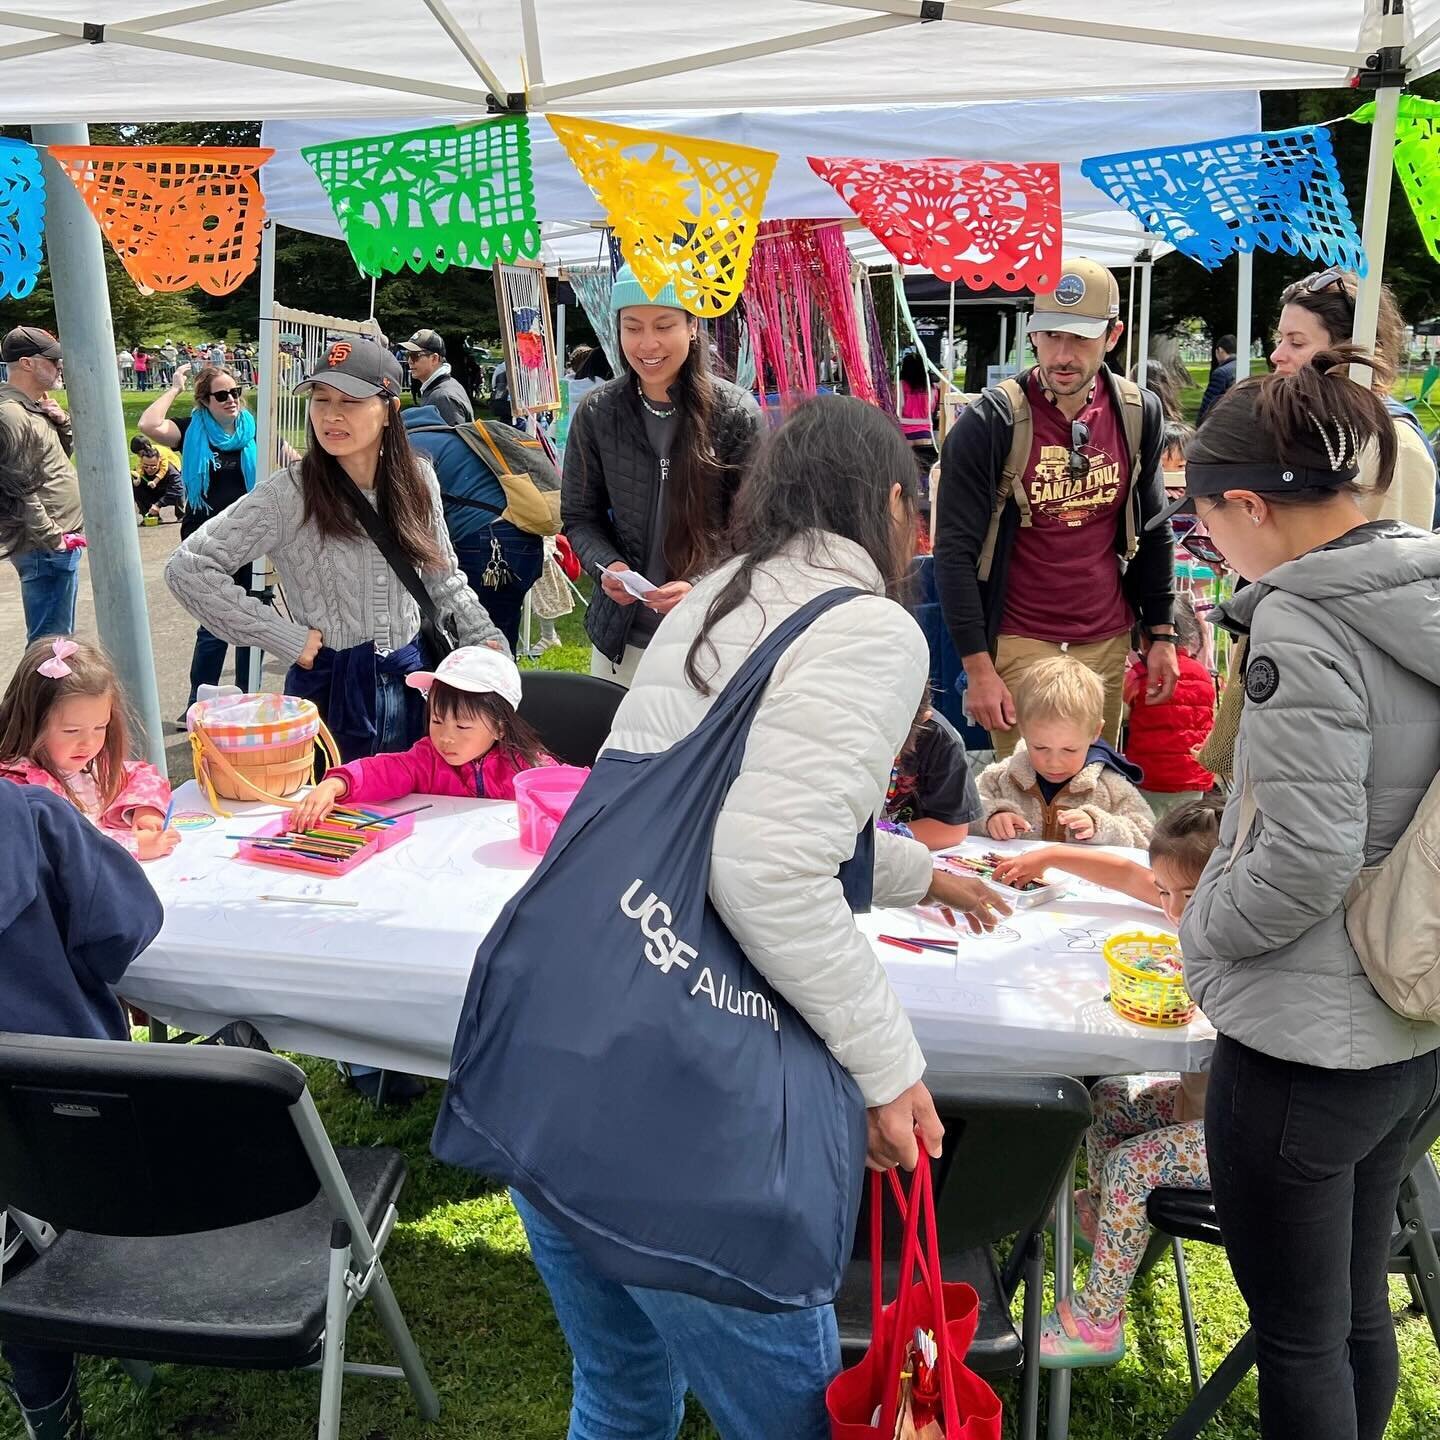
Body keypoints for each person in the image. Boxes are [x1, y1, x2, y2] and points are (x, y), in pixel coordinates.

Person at [512, 394, 1012, 1439]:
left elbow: (708, 812)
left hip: (560, 1066)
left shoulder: (715, 597)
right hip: (686, 1121)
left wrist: (922, 873)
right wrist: (888, 1070)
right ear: (889, 505)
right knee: (789, 1421)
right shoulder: (870, 627)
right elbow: (764, 869)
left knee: (622, 1396)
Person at [1153, 350, 1440, 1440]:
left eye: (1203, 520)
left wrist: (1205, 937)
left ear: (1245, 506)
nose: (1207, 545)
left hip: (1306, 1046)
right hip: (1407, 1021)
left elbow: (1307, 855)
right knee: (1353, 1310)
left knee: (1301, 1338)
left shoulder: (1308, 624)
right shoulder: (1418, 586)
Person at [166, 339, 505, 763]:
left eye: (351, 401)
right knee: (335, 818)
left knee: (417, 813)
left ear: (389, 410)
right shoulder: (289, 493)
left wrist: (484, 638)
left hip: (417, 684)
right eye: (321, 400)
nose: (331, 415)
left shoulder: (417, 478)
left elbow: (443, 578)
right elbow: (188, 567)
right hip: (332, 690)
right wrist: (282, 636)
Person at [993, 800, 1222, 1369]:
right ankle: (1102, 1216)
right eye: (1166, 894)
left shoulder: (1240, 937)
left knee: (1133, 1165)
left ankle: (1097, 1321)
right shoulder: (1191, 901)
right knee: (1112, 1098)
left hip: (1247, 1136)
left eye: (1185, 898)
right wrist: (1047, 854)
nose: (1171, 910)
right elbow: (1126, 874)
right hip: (1205, 1107)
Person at [933, 257, 1178, 761]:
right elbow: (953, 553)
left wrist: (1162, 633)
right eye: (1051, 336)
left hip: (1105, 640)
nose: (1063, 355)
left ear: (1113, 336)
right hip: (1018, 640)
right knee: (1023, 793)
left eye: (1081, 338)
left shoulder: (1137, 413)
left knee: (1092, 788)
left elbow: (1154, 530)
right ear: (1032, 333)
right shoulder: (990, 422)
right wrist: (978, 668)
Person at [0, 777, 164, 1440]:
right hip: (79, 1124)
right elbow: (125, 926)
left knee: (14, 1249)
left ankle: (51, 1412)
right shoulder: (32, 817)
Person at [562, 263, 763, 688]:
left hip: (711, 634)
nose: (647, 343)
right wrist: (606, 566)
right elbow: (580, 517)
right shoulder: (598, 413)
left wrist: (699, 585)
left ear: (692, 326)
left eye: (664, 325)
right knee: (617, 748)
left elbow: (756, 530)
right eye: (632, 327)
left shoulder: (736, 414)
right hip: (623, 636)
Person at [290, 648, 549, 830]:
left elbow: (573, 791)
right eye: (436, 720)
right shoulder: (426, 760)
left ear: (500, 728)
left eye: (462, 726)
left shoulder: (526, 768)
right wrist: (335, 784)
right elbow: (383, 770)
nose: (446, 737)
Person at [139, 361, 265, 711]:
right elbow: (148, 424)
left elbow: (293, 461)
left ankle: (247, 698)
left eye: (236, 392)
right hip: (207, 543)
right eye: (221, 395)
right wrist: (175, 387)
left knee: (251, 621)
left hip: (251, 541)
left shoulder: (256, 430)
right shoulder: (191, 429)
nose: (231, 400)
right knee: (215, 624)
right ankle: (199, 704)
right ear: (205, 401)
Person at [1270, 269, 1437, 530]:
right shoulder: (1305, 421)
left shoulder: (1393, 444)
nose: (1276, 355)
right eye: (1280, 339)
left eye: (1297, 343)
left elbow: (1396, 563)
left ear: (1352, 349)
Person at [0, 637, 179, 861]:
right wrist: (132, 847)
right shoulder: (17, 789)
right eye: (72, 731)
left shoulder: (89, 767)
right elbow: (58, 848)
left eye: (100, 727)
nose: (89, 742)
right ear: (31, 723)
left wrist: (145, 811)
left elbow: (141, 775)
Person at [401, 400, 544, 652]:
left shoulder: (412, 448)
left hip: (484, 546)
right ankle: (508, 683)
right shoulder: (460, 439)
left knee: (475, 636)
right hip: (525, 541)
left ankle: (481, 686)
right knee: (503, 629)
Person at [977, 654, 1154, 848]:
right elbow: (962, 809)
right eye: (1040, 747)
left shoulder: (1111, 787)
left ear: (1096, 732)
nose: (1054, 762)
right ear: (1022, 730)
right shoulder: (1002, 777)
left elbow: (1147, 835)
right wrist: (992, 815)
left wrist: (1101, 826)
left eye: (1069, 749)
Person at [0, 326, 84, 646]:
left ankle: (43, 697)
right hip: (44, 546)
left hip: (55, 540)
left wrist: (61, 421)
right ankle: (33, 699)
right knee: (49, 646)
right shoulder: (10, 413)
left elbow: (62, 457)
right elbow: (20, 488)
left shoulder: (33, 407)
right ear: (27, 363)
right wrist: (54, 539)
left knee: (56, 642)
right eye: (52, 360)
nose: (59, 366)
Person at [1123, 594, 1214, 818]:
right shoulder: (1202, 673)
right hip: (1192, 778)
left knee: (1148, 834)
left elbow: (1124, 710)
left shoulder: (1141, 675)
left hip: (1150, 777)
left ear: (1143, 636)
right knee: (1181, 835)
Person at [883, 697, 982, 849]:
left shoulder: (937, 737)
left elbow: (951, 828)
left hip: (901, 852)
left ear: (923, 717)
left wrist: (877, 839)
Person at [401, 328, 474, 426]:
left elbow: (453, 440)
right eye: (407, 354)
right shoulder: (444, 387)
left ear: (434, 358)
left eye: (415, 355)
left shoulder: (443, 397)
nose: (409, 361)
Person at [129, 435, 184, 522]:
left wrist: (158, 504)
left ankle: (181, 514)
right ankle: (150, 515)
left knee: (178, 488)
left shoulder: (164, 460)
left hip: (171, 472)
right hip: (153, 487)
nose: (149, 469)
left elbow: (165, 471)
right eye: (146, 466)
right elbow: (138, 468)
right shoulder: (142, 458)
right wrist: (137, 478)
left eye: (152, 466)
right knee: (136, 484)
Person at [1195, 333, 1236, 425]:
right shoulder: (1243, 368)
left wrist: (1198, 424)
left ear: (1220, 350)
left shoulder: (1221, 373)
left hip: (1221, 422)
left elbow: (1209, 403)